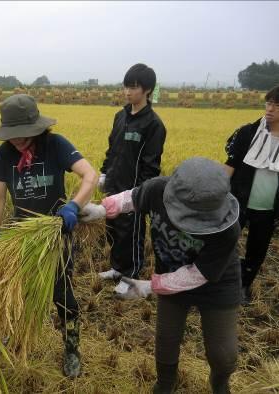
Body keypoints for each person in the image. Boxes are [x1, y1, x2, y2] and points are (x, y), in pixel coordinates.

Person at [81, 157, 241, 394]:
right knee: (166, 341)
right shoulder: (158, 189)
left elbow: (198, 274)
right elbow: (132, 198)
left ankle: (220, 384)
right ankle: (165, 384)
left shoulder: (228, 228)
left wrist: (150, 286)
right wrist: (102, 209)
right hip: (169, 272)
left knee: (223, 353)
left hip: (216, 283)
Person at [0, 94, 98, 378]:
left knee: (62, 294)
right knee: (16, 291)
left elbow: (90, 175)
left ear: (37, 127)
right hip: (22, 237)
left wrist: (73, 207)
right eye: (12, 135)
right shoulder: (4, 154)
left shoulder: (56, 145)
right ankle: (15, 337)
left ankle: (71, 348)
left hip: (56, 234)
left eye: (22, 134)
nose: (16, 140)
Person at [97, 64, 167, 293]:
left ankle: (130, 278)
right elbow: (112, 150)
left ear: (147, 90)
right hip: (113, 185)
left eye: (134, 87)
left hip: (133, 191)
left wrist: (140, 194)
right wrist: (104, 173)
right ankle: (117, 268)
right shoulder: (120, 116)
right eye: (126, 86)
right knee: (114, 230)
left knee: (131, 233)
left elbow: (151, 165)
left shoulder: (153, 124)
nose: (128, 92)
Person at [224, 85, 279, 305]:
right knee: (223, 242)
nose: (271, 108)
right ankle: (214, 282)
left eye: (277, 104)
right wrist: (217, 192)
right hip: (238, 201)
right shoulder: (248, 133)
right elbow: (231, 164)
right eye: (269, 103)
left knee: (257, 251)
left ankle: (244, 286)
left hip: (268, 209)